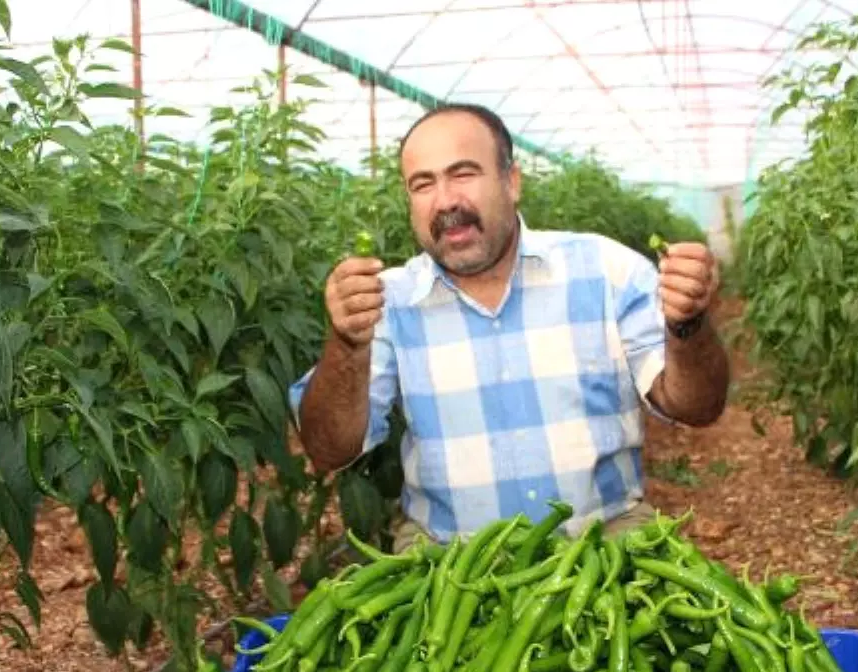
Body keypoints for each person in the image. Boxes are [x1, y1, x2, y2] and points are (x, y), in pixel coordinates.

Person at [288, 103, 730, 548]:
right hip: (450, 563)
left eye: (464, 174)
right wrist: (346, 342)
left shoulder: (604, 270)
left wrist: (687, 325)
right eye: (423, 184)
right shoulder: (387, 301)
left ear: (511, 181)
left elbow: (696, 406)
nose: (445, 202)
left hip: (603, 542)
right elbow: (329, 450)